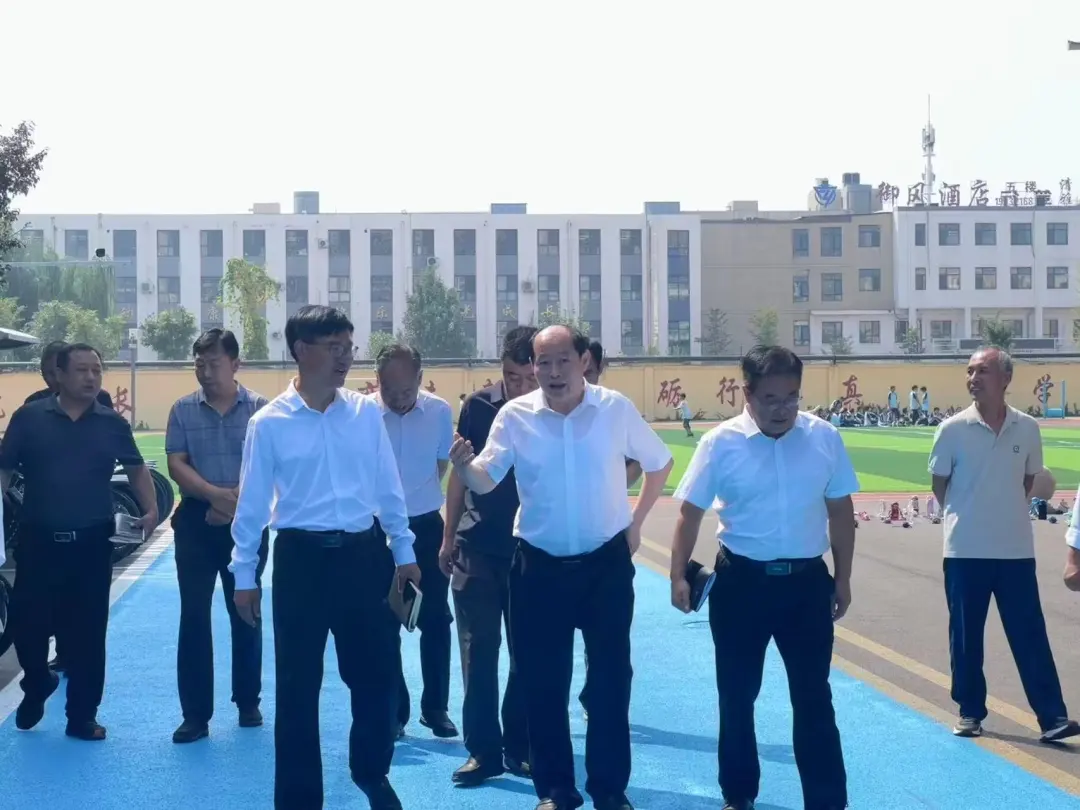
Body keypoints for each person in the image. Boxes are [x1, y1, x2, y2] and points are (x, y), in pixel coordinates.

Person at [449, 325, 673, 810]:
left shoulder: (614, 409)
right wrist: (465, 466)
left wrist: (635, 523)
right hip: (538, 568)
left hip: (604, 566)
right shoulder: (515, 416)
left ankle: (609, 789)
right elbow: (486, 479)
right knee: (543, 683)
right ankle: (556, 792)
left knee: (610, 681)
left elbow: (659, 462)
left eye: (562, 361)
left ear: (583, 361)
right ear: (533, 366)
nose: (552, 372)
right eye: (543, 362)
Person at [229, 305, 420, 810]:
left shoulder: (365, 413)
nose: (345, 358)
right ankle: (298, 801)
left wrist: (404, 551)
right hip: (301, 564)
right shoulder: (268, 423)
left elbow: (388, 486)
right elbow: (252, 506)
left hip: (364, 558)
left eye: (348, 348)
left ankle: (371, 772)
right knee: (297, 690)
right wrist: (244, 575)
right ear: (301, 350)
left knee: (378, 677)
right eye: (334, 348)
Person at [669, 345, 855, 810]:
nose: (782, 409)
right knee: (736, 696)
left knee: (813, 697)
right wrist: (677, 576)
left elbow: (840, 512)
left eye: (791, 397)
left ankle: (827, 801)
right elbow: (689, 513)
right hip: (741, 585)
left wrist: (844, 579)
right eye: (771, 398)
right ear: (747, 394)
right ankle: (738, 795)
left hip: (806, 586)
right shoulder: (720, 443)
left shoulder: (824, 438)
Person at [0, 343, 158, 741]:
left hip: (92, 544)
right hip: (38, 543)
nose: (91, 377)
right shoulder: (29, 418)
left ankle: (82, 716)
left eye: (97, 371)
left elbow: (136, 469)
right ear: (59, 374)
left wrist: (151, 509)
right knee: (27, 625)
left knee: (88, 632)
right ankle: (37, 682)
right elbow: (4, 471)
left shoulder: (111, 423)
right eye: (82, 370)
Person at [930, 347, 1079, 743]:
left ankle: (1052, 718)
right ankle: (970, 712)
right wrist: (967, 515)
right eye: (970, 371)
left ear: (1006, 379)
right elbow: (940, 485)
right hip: (965, 550)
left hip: (1015, 549)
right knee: (966, 637)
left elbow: (1030, 482)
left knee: (1030, 633)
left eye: (983, 371)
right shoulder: (952, 429)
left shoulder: (1027, 428)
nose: (973, 378)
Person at [438, 325, 537, 785]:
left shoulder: (555, 411)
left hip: (532, 551)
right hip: (477, 545)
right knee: (478, 650)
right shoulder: (478, 407)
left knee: (526, 652)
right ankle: (483, 750)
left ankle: (519, 745)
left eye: (528, 378)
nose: (520, 387)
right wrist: (448, 536)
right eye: (511, 377)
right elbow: (460, 475)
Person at [165, 328, 270, 744]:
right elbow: (176, 463)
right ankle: (195, 714)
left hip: (247, 522)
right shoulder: (182, 409)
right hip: (196, 520)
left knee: (245, 608)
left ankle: (248, 701)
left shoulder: (260, 410)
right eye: (199, 364)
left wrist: (234, 504)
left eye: (214, 363)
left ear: (235, 364)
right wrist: (213, 496)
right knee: (193, 615)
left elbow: (268, 468)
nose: (205, 372)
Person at [373, 342, 457, 739]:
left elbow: (441, 465)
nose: (398, 398)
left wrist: (415, 499)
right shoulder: (364, 414)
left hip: (425, 527)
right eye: (389, 390)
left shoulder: (439, 412)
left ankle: (435, 708)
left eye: (407, 390)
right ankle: (395, 710)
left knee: (436, 619)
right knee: (384, 621)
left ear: (421, 379)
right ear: (377, 381)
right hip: (376, 532)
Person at [24, 339, 112, 676]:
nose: (52, 379)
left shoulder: (101, 405)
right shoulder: (32, 408)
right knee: (35, 611)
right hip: (43, 522)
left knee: (86, 608)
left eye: (94, 371)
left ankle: (78, 673)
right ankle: (41, 674)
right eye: (47, 373)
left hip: (89, 521)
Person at [578, 338, 641, 721]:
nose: (581, 379)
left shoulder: (614, 409)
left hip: (605, 540)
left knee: (607, 639)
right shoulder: (541, 411)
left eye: (589, 371)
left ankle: (602, 703)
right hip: (552, 545)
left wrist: (612, 485)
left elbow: (643, 461)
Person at [25, 340, 114, 410]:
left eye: (96, 370)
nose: (50, 379)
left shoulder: (101, 398)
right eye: (45, 373)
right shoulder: (33, 403)